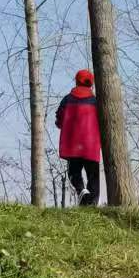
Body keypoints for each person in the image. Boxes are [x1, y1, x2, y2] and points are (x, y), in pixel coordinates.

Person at [55, 69, 101, 206]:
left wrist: (62, 124)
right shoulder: (95, 101)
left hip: (72, 145)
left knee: (74, 172)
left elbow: (59, 119)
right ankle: (91, 204)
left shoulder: (67, 99)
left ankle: (81, 190)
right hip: (91, 146)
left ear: (76, 81)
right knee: (93, 176)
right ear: (91, 84)